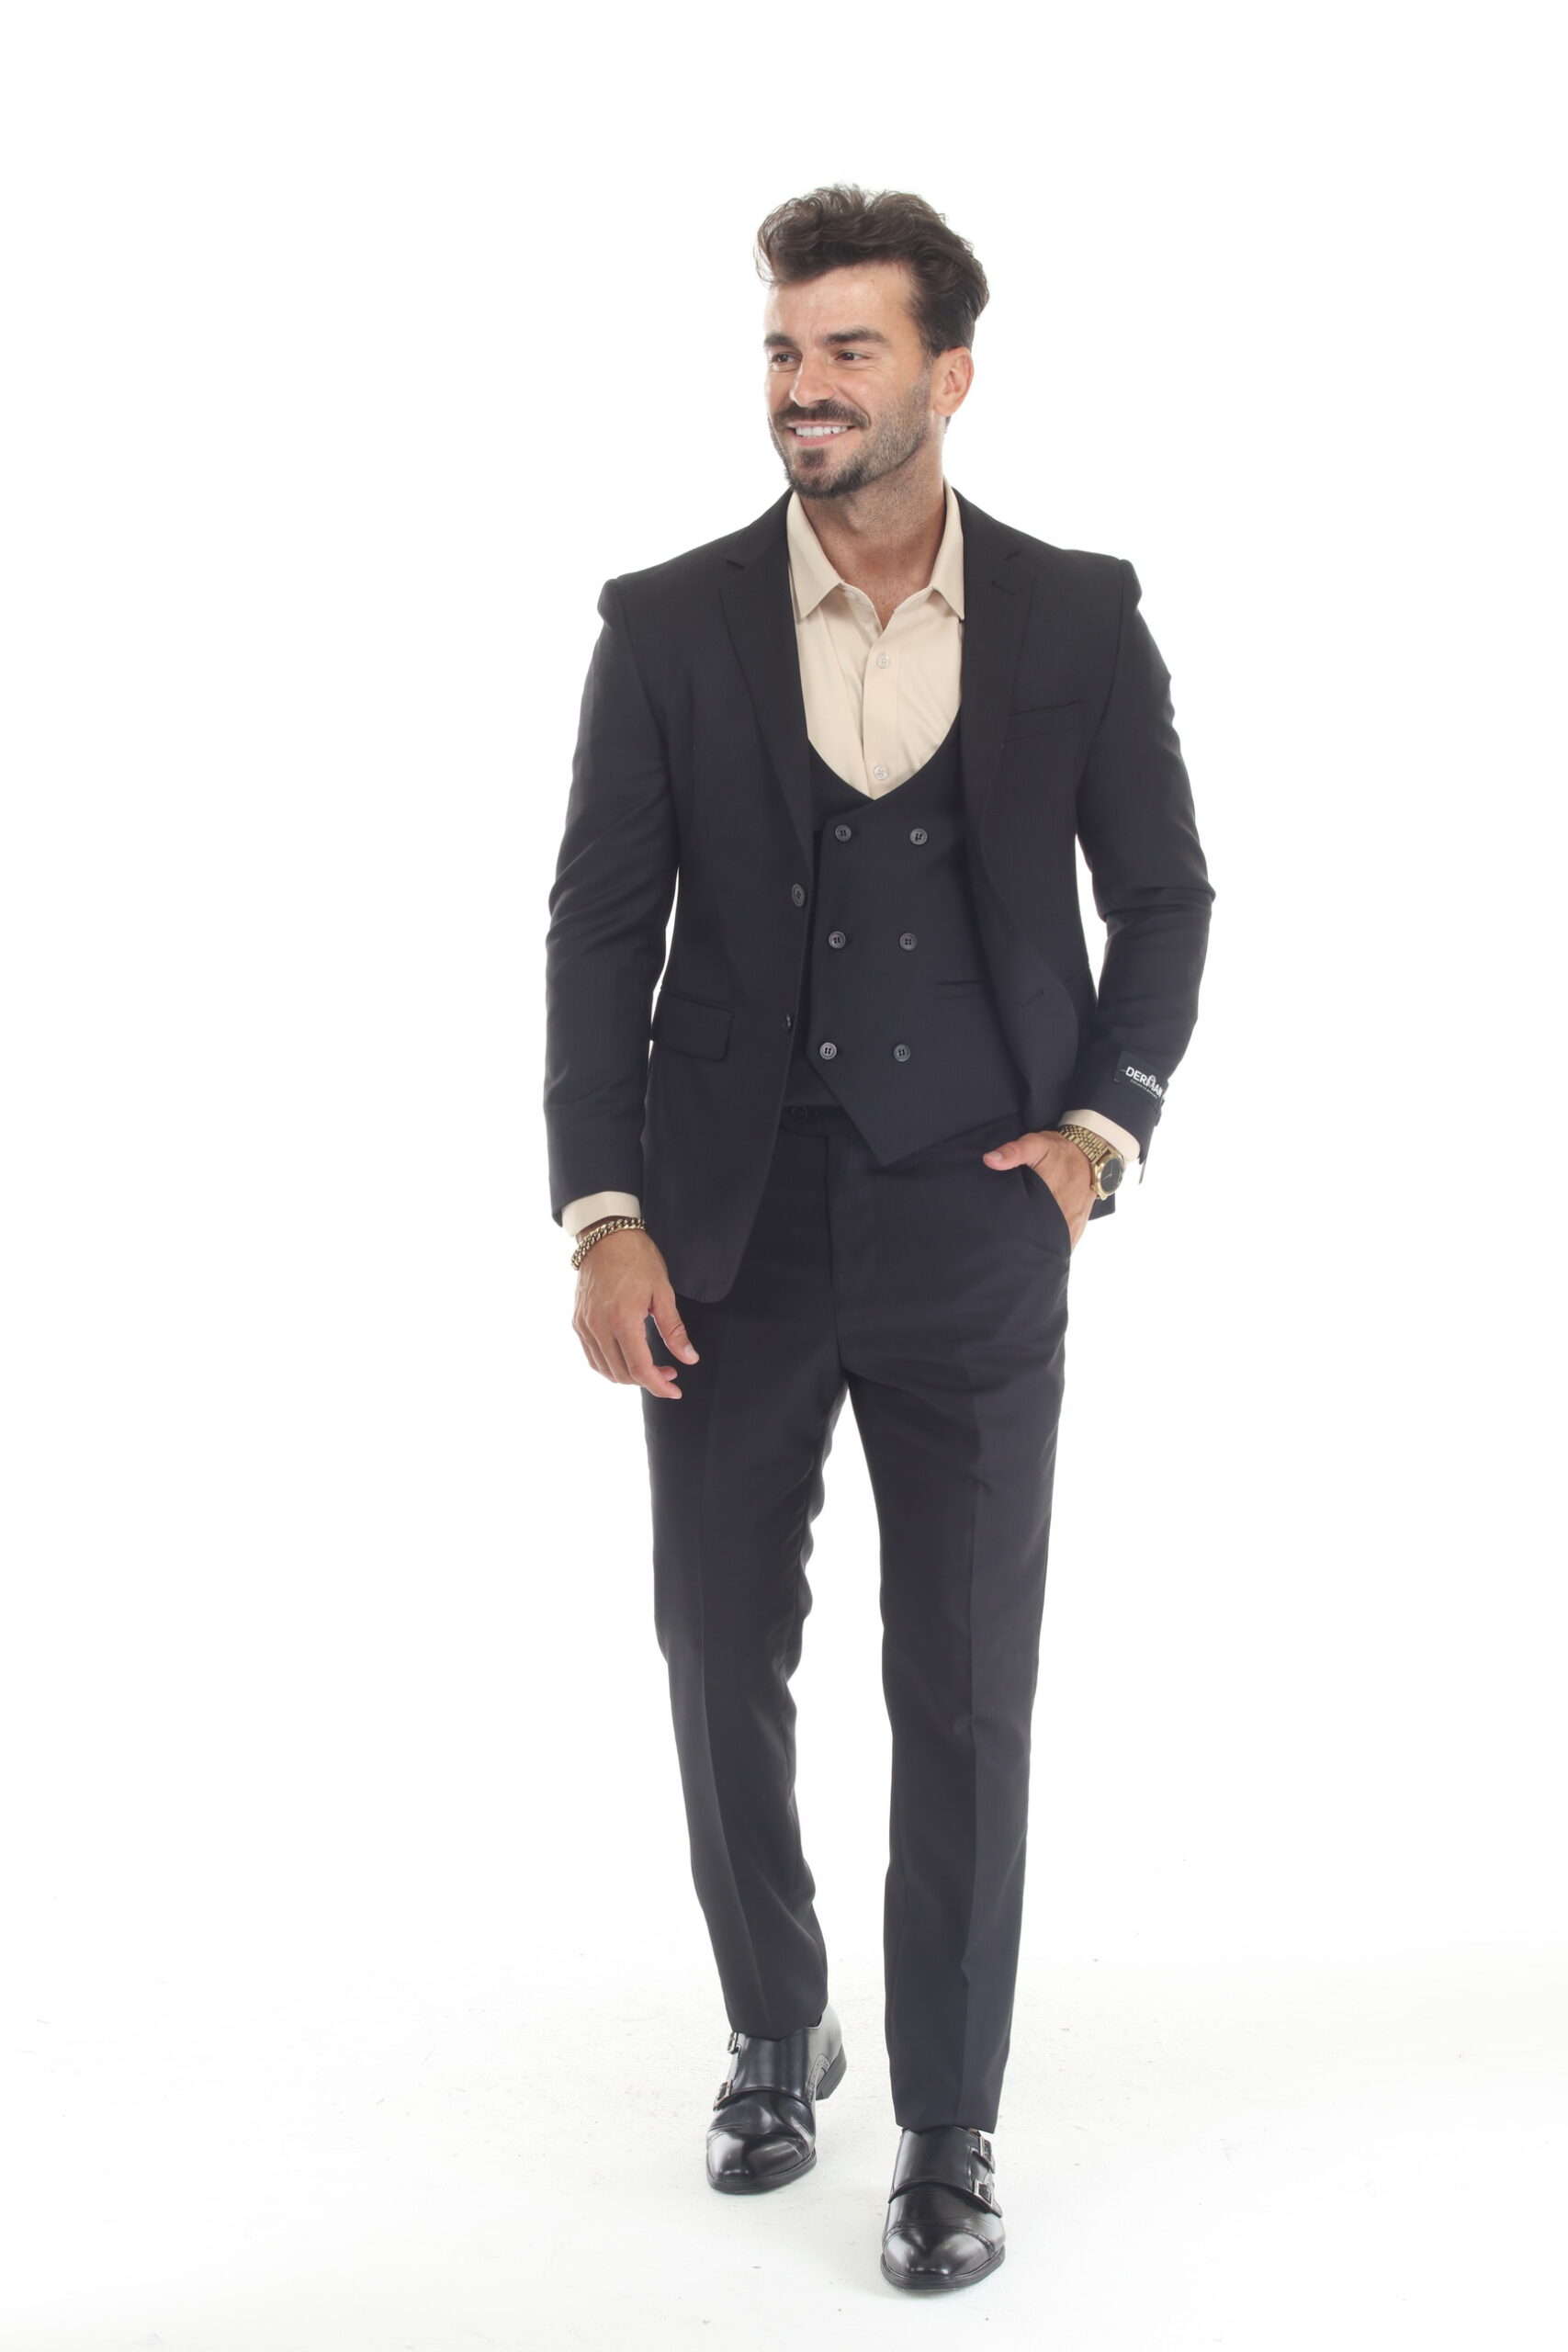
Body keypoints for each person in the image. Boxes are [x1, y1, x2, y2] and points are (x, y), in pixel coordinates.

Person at [543, 183, 1214, 2293]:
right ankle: (777, 2022)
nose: (803, 386)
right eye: (781, 348)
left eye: (847, 349)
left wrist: (1098, 1126)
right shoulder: (666, 623)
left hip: (973, 1222)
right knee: (712, 1641)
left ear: (947, 374)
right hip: (721, 1232)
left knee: (963, 1680)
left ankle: (946, 2121)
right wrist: (604, 1213)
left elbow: (1164, 896)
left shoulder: (1075, 615)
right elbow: (598, 932)